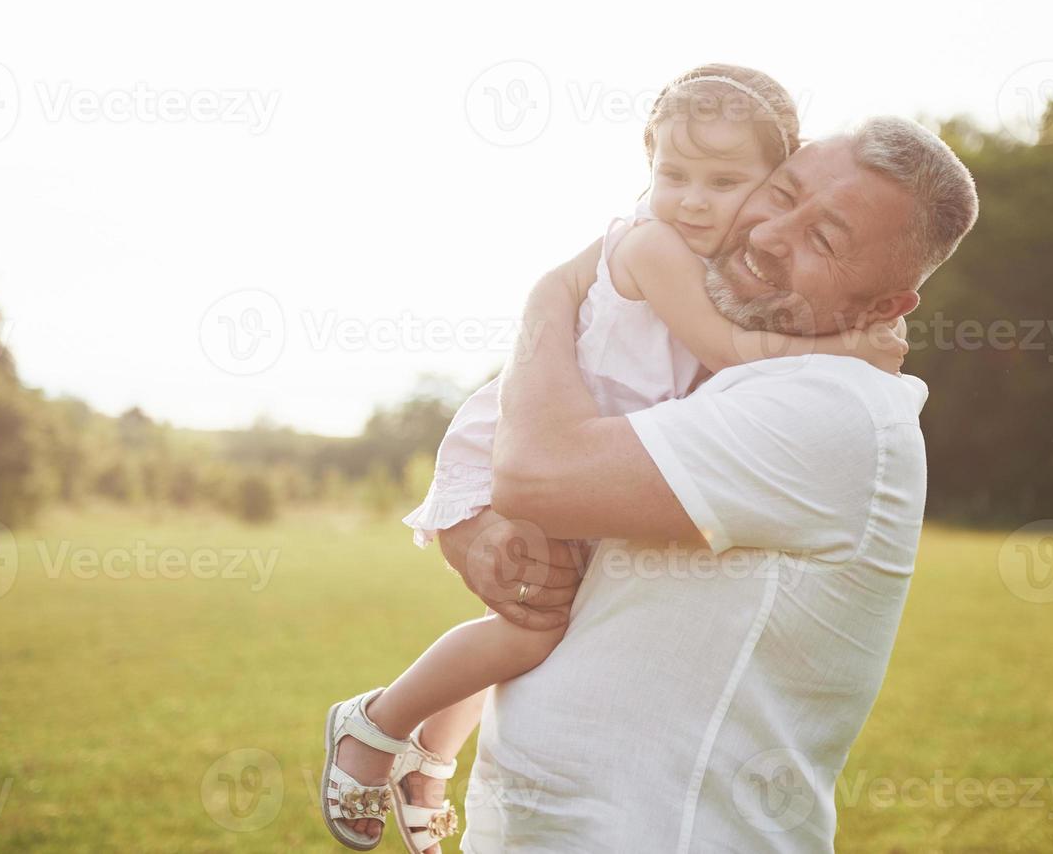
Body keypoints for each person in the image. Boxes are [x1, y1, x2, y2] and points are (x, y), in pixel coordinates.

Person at [317, 65, 910, 853]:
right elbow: (726, 351)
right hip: (524, 438)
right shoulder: (658, 244)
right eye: (672, 175)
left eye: (724, 181)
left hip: (583, 441)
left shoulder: (725, 257)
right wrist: (850, 345)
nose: (692, 199)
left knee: (537, 619)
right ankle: (374, 728)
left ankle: (429, 755)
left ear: (772, 181)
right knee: (533, 629)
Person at [433, 116, 979, 852]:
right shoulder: (716, 373)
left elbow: (536, 473)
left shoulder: (833, 407)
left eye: (822, 238)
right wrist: (477, 539)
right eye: (779, 192)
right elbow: (528, 509)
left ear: (882, 309)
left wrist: (550, 294)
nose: (767, 233)